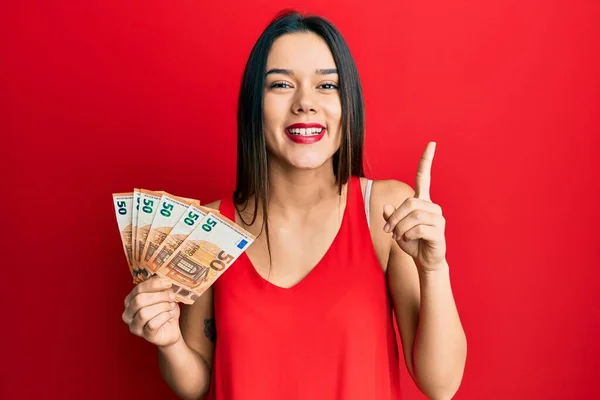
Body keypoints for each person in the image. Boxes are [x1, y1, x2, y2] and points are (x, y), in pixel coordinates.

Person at [121, 9, 467, 400]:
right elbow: (199, 384)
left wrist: (434, 268)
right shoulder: (208, 226)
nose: (305, 102)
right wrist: (169, 343)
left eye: (327, 86)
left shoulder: (385, 210)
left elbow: (441, 385)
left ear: (347, 103)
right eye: (282, 85)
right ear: (255, 105)